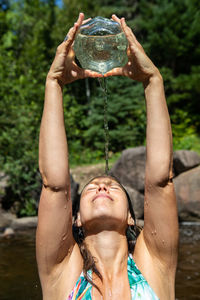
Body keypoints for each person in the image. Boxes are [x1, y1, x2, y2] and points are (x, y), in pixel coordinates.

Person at [36, 12, 179, 300]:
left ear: (130, 217)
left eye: (112, 186)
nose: (102, 186)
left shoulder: (156, 264)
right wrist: (53, 83)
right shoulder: (61, 271)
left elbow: (160, 181)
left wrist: (153, 81)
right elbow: (55, 185)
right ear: (75, 218)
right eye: (92, 187)